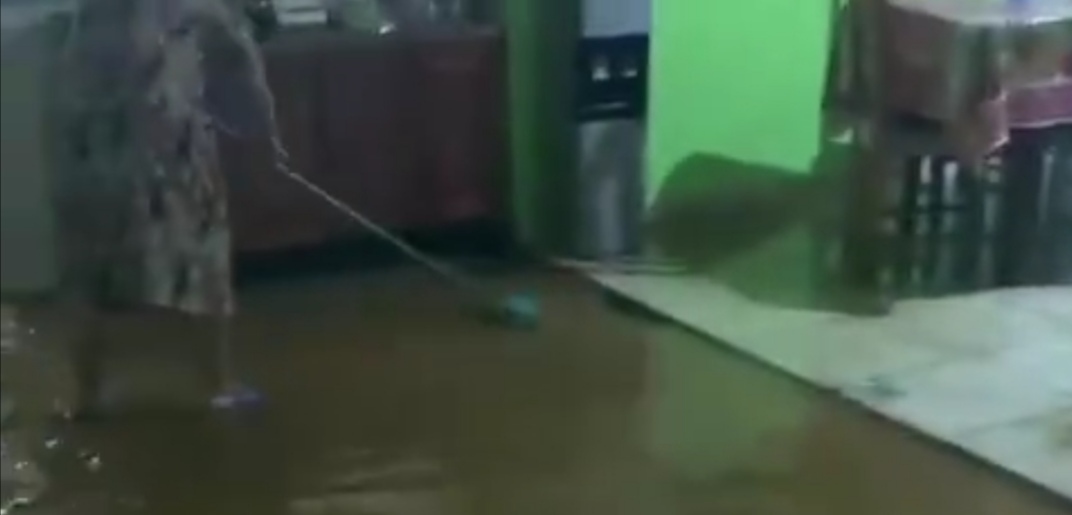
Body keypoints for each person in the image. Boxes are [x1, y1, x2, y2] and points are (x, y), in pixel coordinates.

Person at [56, 0, 276, 415]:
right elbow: (235, 56)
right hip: (165, 139)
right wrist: (263, 124)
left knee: (87, 270)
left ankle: (85, 396)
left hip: (89, 140)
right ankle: (218, 385)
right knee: (204, 255)